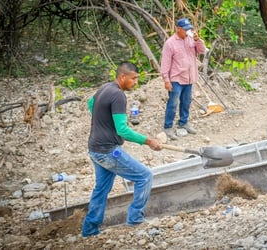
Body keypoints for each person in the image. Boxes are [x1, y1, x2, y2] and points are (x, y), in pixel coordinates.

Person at [81, 62, 162, 237]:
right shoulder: (118, 95)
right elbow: (122, 130)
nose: (135, 82)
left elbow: (90, 103)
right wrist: (148, 141)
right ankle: (135, 219)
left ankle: (89, 230)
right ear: (123, 77)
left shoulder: (105, 88)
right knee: (144, 177)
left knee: (101, 189)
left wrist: (102, 121)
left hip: (95, 148)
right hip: (108, 151)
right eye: (133, 79)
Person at [161, 17, 207, 140]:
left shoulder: (191, 40)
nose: (188, 31)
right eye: (185, 29)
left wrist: (198, 40)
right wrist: (166, 80)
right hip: (176, 78)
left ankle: (183, 122)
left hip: (189, 77)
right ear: (178, 29)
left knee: (186, 102)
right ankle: (168, 127)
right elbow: (165, 63)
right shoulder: (170, 43)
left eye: (189, 29)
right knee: (173, 103)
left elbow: (202, 51)